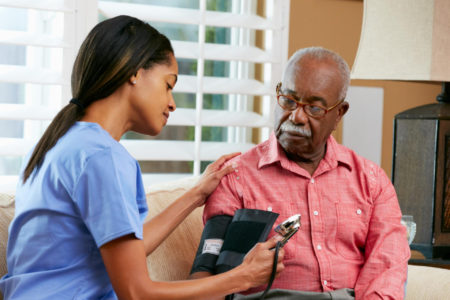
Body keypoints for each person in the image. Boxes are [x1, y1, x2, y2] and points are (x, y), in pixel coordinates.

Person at [0, 15, 285, 300]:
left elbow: (125, 253)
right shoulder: (103, 158)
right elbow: (136, 292)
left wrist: (197, 195)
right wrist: (241, 277)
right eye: (168, 84)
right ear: (135, 72)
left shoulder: (56, 145)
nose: (172, 103)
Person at [190, 47, 410, 299]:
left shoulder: (371, 181)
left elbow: (388, 266)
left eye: (314, 108)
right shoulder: (235, 177)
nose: (296, 117)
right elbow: (203, 276)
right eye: (289, 101)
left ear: (339, 113)